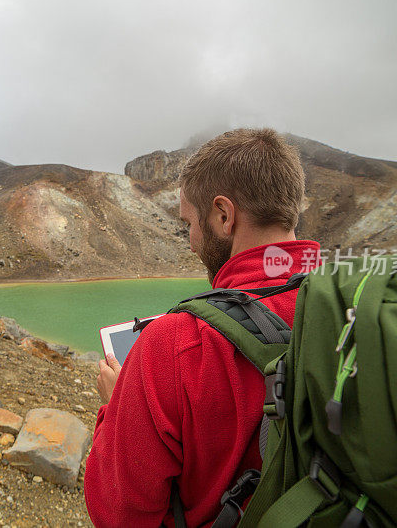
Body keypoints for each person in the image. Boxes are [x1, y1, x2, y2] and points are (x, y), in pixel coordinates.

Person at [84, 128, 322, 527]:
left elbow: (119, 515)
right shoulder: (360, 306)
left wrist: (115, 406)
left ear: (223, 216)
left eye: (188, 224)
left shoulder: (173, 344)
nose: (191, 242)